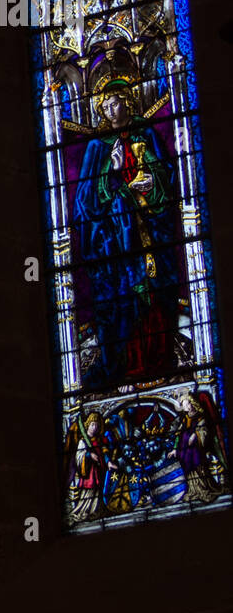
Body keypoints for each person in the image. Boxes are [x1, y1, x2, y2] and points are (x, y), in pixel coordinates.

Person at [72, 77, 179, 389]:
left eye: (115, 102)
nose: (110, 108)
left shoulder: (145, 132)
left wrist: (152, 185)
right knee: (123, 304)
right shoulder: (97, 146)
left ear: (127, 101)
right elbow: (85, 201)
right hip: (116, 245)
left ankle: (160, 361)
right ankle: (123, 367)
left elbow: (166, 173)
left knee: (156, 297)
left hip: (151, 234)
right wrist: (116, 177)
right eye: (105, 105)